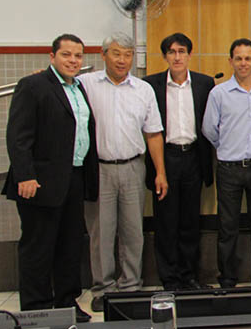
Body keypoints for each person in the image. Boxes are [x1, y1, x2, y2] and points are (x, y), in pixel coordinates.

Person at [3, 34, 97, 322]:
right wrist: (26, 175)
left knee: (69, 245)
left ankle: (66, 303)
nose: (73, 60)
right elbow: (18, 136)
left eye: (78, 56)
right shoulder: (33, 86)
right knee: (38, 247)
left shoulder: (79, 88)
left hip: (73, 177)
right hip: (39, 183)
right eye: (67, 54)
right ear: (52, 56)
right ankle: (35, 309)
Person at [79, 33, 167, 312]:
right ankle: (103, 289)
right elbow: (57, 87)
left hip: (133, 167)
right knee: (101, 232)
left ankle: (131, 287)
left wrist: (160, 172)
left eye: (128, 54)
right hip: (99, 170)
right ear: (104, 55)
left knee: (132, 231)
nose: (122, 60)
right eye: (116, 53)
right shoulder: (86, 84)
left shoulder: (143, 89)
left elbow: (153, 134)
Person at [143, 33, 215, 291]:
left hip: (194, 157)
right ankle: (170, 279)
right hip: (166, 158)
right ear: (165, 56)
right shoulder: (150, 85)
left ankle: (189, 276)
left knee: (190, 222)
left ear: (189, 55)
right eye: (171, 52)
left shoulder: (205, 84)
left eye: (181, 51)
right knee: (166, 222)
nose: (177, 56)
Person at [202, 38, 251, 288]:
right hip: (229, 170)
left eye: (248, 58)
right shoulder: (219, 93)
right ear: (230, 61)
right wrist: (227, 148)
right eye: (238, 58)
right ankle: (228, 278)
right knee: (227, 228)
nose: (243, 63)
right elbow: (209, 130)